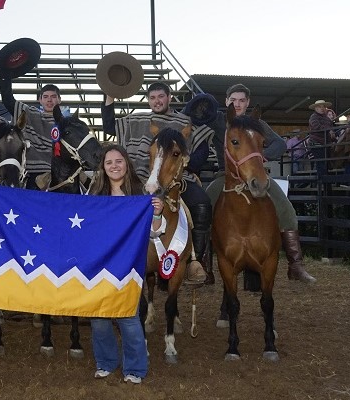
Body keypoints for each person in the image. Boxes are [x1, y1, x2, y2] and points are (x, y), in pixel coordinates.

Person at [205, 83, 316, 284]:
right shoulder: (218, 123)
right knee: (203, 208)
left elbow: (280, 144)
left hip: (255, 174)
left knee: (286, 209)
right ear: (227, 101)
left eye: (241, 100)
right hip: (226, 176)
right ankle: (203, 267)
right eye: (233, 100)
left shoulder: (258, 124)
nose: (237, 104)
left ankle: (296, 265)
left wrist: (258, 158)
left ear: (247, 102)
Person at [101, 82, 210, 285]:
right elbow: (109, 127)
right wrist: (109, 97)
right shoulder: (137, 120)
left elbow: (202, 146)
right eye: (152, 98)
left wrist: (188, 165)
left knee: (202, 203)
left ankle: (195, 260)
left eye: (161, 97)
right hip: (141, 179)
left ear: (169, 98)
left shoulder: (184, 120)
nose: (157, 101)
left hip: (177, 180)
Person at [88, 144, 158, 384]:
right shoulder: (95, 194)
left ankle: (135, 368)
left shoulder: (141, 193)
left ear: (126, 164)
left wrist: (156, 213)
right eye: (109, 162)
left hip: (129, 265)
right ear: (103, 167)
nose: (114, 166)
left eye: (119, 161)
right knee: (98, 317)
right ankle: (106, 362)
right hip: (99, 264)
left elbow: (157, 231)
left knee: (128, 316)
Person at [0, 79, 69, 189]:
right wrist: (5, 77)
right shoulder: (30, 114)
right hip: (32, 174)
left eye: (53, 97)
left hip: (61, 176)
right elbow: (8, 101)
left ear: (59, 100)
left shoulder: (68, 124)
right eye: (45, 97)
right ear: (39, 100)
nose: (49, 100)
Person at [307, 99, 336, 174]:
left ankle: (325, 183)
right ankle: (322, 181)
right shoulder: (313, 117)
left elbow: (330, 128)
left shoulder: (327, 119)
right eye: (320, 107)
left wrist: (332, 135)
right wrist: (329, 130)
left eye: (323, 107)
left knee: (325, 164)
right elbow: (317, 127)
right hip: (317, 143)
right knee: (321, 164)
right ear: (316, 108)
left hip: (325, 143)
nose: (322, 108)